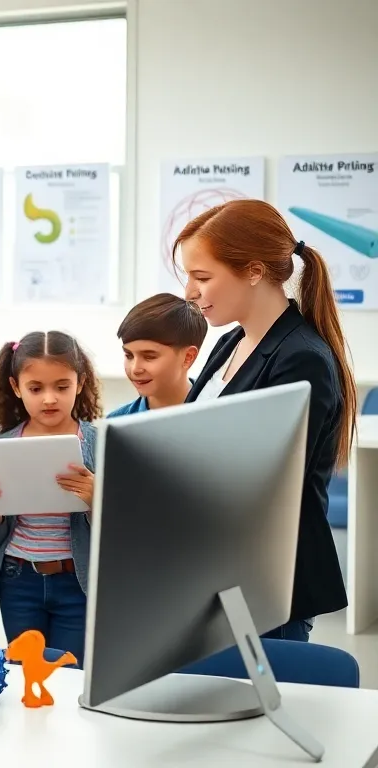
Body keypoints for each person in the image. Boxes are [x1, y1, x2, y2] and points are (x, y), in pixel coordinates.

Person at [178, 199, 357, 641]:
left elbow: (267, 479)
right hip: (217, 567)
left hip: (268, 576)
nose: (189, 291)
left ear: (254, 271)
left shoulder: (302, 359)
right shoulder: (234, 341)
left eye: (202, 277)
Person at [0, 331, 102, 665]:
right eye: (36, 388)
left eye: (62, 386)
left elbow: (121, 536)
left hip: (78, 583)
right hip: (18, 581)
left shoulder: (99, 444)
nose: (49, 399)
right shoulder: (0, 446)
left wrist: (96, 500)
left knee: (69, 673)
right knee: (25, 672)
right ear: (16, 388)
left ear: (80, 383)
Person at [108, 292, 208, 417]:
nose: (135, 369)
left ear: (188, 357)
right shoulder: (115, 423)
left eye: (149, 357)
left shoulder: (219, 416)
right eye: (129, 356)